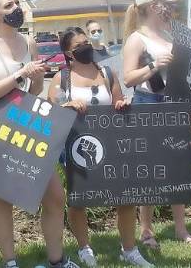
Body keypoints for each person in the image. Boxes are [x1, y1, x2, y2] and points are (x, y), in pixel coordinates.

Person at [0, 0, 78, 268]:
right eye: (9, 5)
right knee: (3, 196)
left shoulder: (29, 40)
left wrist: (36, 77)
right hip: (1, 125)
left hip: (29, 123)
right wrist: (19, 74)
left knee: (54, 196)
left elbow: (36, 89)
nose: (16, 8)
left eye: (17, 3)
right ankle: (10, 261)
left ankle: (57, 261)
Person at [48, 27, 153, 267]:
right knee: (79, 198)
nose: (86, 47)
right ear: (68, 52)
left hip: (111, 142)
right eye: (79, 46)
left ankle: (129, 249)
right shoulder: (61, 78)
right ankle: (85, 249)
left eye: (87, 42)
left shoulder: (107, 72)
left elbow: (118, 101)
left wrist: (124, 103)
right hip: (78, 147)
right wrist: (66, 105)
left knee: (124, 196)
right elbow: (52, 110)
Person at [121, 0, 191, 248]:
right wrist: (155, 65)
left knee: (177, 167)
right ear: (154, 6)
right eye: (166, 3)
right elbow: (129, 77)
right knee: (150, 170)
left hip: (174, 102)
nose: (171, 8)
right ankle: (146, 230)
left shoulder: (169, 34)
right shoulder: (137, 39)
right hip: (149, 103)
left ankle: (180, 229)